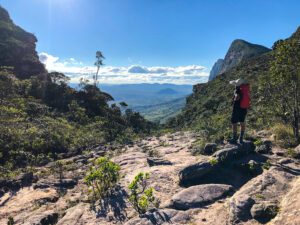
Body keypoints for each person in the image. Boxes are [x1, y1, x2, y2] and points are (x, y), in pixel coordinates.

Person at [228, 78, 250, 144]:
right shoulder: (245, 89)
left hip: (237, 109)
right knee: (242, 123)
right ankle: (241, 138)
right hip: (244, 109)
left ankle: (234, 138)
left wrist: (235, 98)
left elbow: (237, 97)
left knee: (234, 123)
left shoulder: (237, 90)